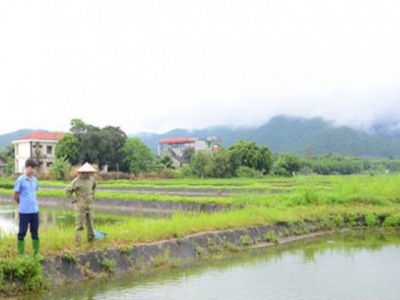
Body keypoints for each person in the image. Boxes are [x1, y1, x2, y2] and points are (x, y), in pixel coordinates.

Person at [65, 162, 97, 246]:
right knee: (80, 225)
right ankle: (77, 243)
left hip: (90, 206)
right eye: (86, 172)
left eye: (89, 172)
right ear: (82, 172)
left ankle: (91, 241)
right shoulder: (76, 181)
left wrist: (92, 196)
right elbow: (67, 190)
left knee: (90, 224)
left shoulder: (92, 180)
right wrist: (74, 199)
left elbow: (94, 187)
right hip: (81, 206)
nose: (87, 174)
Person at [13, 158, 40, 256]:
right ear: (26, 168)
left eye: (33, 168)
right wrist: (21, 203)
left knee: (35, 232)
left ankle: (36, 253)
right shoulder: (20, 180)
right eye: (30, 168)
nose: (32, 170)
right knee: (22, 232)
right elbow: (15, 195)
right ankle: (21, 254)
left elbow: (34, 193)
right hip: (24, 211)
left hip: (34, 211)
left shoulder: (35, 180)